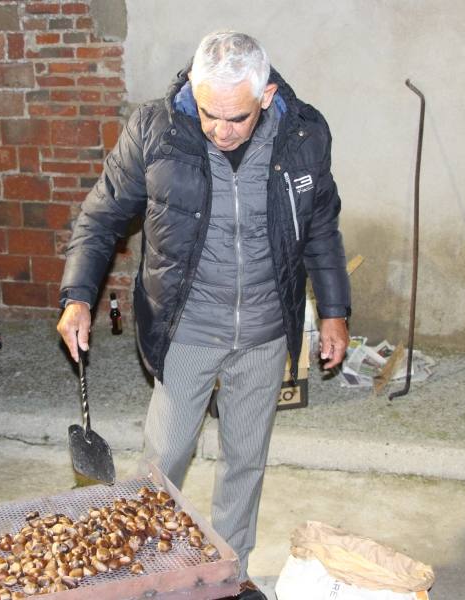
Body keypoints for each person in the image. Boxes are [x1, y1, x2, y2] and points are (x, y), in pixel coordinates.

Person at [57, 30, 351, 599]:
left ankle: (228, 577)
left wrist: (334, 311)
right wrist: (76, 296)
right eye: (209, 113)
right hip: (188, 328)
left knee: (246, 461)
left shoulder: (305, 134)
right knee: (163, 461)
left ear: (265, 96)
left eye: (235, 118)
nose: (219, 129)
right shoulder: (156, 129)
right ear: (193, 86)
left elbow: (321, 227)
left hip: (266, 330)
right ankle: (147, 575)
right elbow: (100, 217)